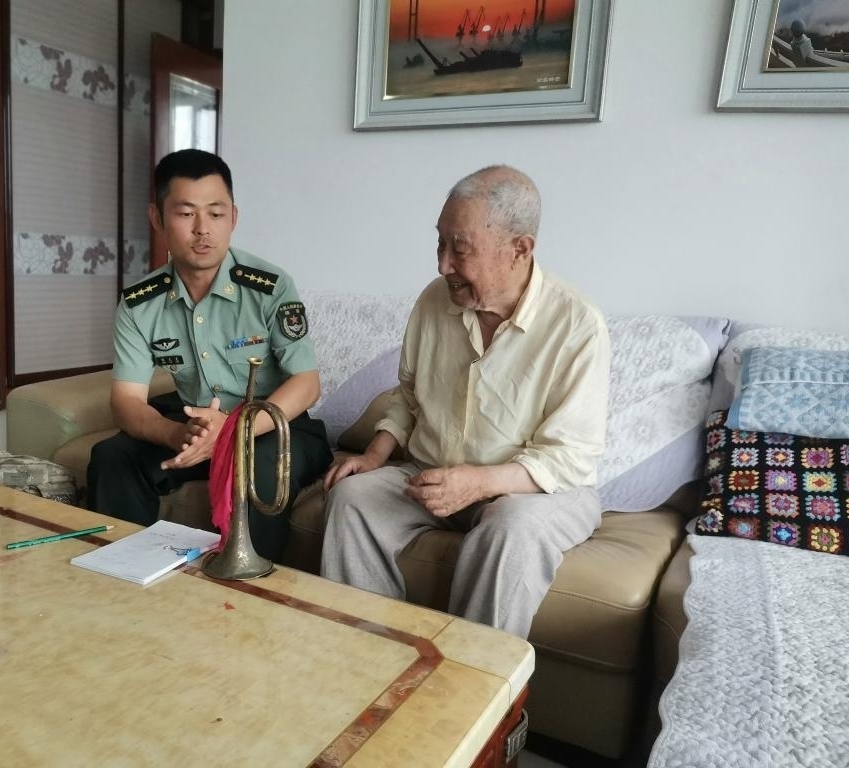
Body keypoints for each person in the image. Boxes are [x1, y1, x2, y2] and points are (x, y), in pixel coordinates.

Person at [320, 165, 609, 638]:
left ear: (520, 249)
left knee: (510, 528)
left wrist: (478, 483)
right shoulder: (434, 301)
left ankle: (473, 675)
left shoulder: (577, 325)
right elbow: (409, 397)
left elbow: (568, 457)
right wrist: (373, 455)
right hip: (433, 474)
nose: (443, 265)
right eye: (439, 244)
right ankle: (370, 656)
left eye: (459, 248)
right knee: (352, 499)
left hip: (538, 491)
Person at [87, 149, 332, 561]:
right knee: (113, 456)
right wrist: (176, 435)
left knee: (257, 467)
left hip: (272, 426)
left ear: (233, 218)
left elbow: (306, 384)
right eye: (186, 214)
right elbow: (126, 400)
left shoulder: (269, 287)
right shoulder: (139, 303)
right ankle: (126, 575)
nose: (202, 229)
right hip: (194, 425)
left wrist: (232, 432)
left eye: (216, 214)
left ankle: (247, 586)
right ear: (157, 218)